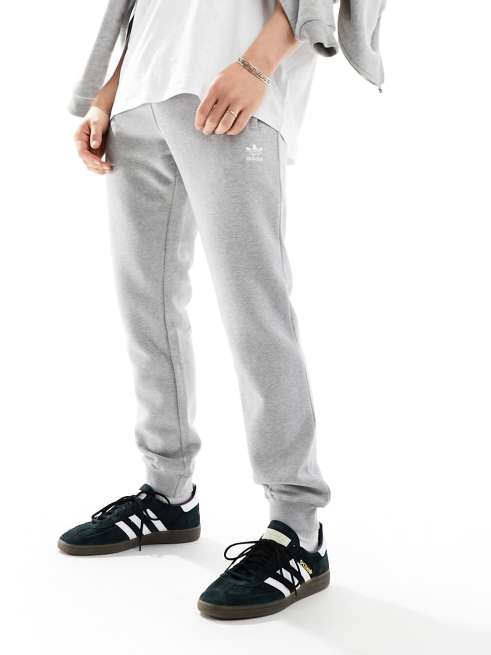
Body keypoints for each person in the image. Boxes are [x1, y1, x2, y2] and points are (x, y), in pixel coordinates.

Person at [59, 0, 334, 620]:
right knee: (146, 309)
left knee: (254, 311)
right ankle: (168, 494)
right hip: (139, 99)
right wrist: (109, 91)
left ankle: (299, 527)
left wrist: (258, 65)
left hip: (231, 87)